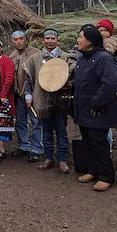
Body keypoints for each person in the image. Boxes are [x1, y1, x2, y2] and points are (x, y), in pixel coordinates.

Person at [73, 25, 117, 192]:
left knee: (98, 143)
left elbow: (110, 84)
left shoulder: (103, 58)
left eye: (81, 37)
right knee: (88, 142)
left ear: (91, 41)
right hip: (84, 109)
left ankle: (106, 176)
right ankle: (93, 171)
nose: (78, 40)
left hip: (97, 110)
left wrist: (97, 103)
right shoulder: (82, 58)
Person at [30, 28, 76, 174]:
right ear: (43, 41)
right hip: (43, 100)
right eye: (47, 38)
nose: (50, 41)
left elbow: (73, 75)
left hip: (60, 100)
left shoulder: (66, 58)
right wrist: (28, 95)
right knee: (46, 131)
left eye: (52, 38)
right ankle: (49, 158)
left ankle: (63, 160)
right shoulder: (36, 58)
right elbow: (29, 77)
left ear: (57, 41)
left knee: (62, 131)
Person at [9, 31, 43, 163]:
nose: (18, 42)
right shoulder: (12, 55)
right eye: (15, 39)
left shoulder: (35, 53)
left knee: (36, 122)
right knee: (21, 121)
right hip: (18, 94)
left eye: (21, 39)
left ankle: (36, 148)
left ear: (26, 39)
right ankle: (24, 146)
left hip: (33, 93)